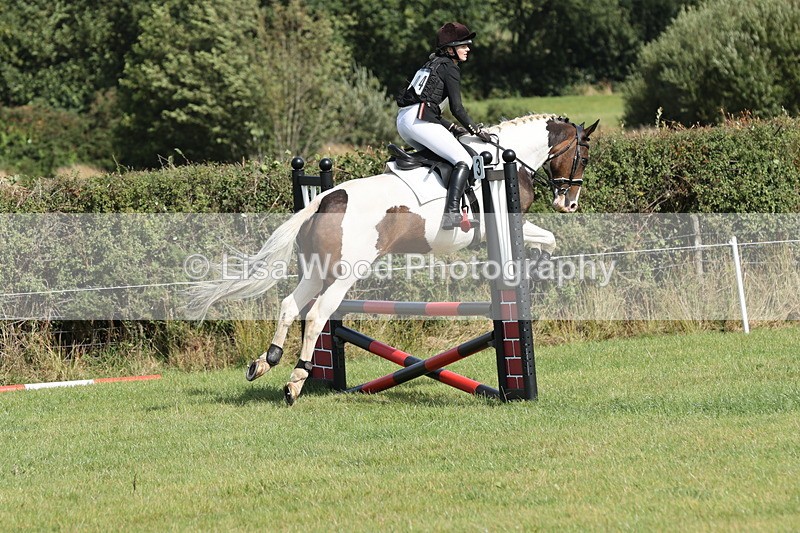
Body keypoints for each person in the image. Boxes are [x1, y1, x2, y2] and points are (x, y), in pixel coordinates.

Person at [396, 22, 492, 230]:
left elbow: (424, 103)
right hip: (418, 121)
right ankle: (451, 215)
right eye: (463, 45)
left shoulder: (430, 64)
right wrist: (476, 130)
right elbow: (457, 108)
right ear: (450, 49)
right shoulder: (449, 67)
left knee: (444, 156)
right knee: (464, 160)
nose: (468, 49)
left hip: (405, 120)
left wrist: (450, 128)